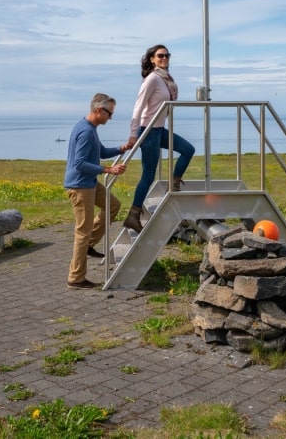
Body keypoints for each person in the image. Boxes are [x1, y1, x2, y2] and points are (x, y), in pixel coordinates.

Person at [123, 44, 195, 232]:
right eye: (160, 55)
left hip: (159, 130)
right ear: (152, 59)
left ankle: (174, 183)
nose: (164, 58)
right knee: (148, 174)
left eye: (167, 55)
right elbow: (138, 107)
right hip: (147, 132)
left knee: (188, 150)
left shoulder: (165, 79)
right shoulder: (152, 79)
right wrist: (133, 134)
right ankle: (133, 216)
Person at [63, 93, 130, 289]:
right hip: (80, 186)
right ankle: (76, 278)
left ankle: (90, 244)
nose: (111, 117)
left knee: (113, 205)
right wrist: (108, 169)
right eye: (110, 113)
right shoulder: (84, 131)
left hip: (89, 182)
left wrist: (121, 148)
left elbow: (100, 151)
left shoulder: (91, 128)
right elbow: (79, 163)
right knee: (82, 232)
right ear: (99, 110)